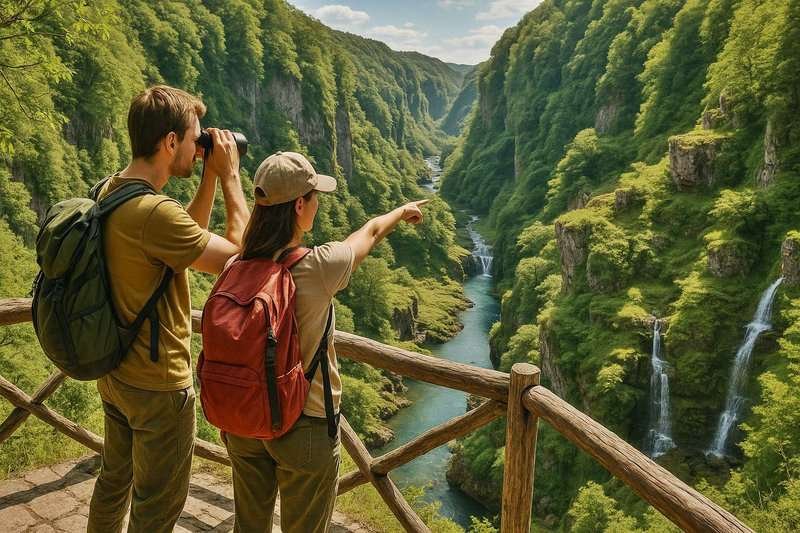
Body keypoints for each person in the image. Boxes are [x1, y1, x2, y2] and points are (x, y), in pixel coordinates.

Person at [221, 151, 427, 532]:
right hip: (305, 425)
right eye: (315, 196)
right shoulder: (317, 267)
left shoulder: (235, 265)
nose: (317, 204)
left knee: (249, 526)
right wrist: (401, 211)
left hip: (243, 419)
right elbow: (370, 233)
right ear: (300, 204)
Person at [87, 85, 249, 533]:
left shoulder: (111, 190)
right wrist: (231, 176)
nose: (201, 147)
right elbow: (239, 260)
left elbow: (183, 247)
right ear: (170, 142)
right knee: (156, 508)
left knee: (114, 480)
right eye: (196, 138)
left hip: (116, 372)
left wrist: (208, 178)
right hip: (158, 387)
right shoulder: (154, 214)